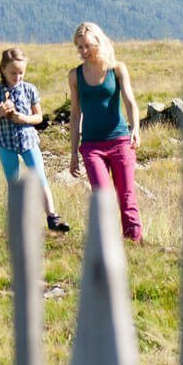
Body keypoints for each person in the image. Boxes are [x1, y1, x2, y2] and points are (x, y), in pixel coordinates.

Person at [66, 22, 143, 242]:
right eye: (79, 47)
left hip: (120, 141)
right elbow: (75, 115)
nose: (83, 52)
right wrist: (73, 153)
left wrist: (135, 128)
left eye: (87, 46)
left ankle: (134, 242)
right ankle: (108, 244)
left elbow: (129, 102)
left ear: (99, 42)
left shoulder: (117, 69)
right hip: (91, 146)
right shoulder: (75, 76)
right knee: (102, 196)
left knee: (127, 195)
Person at [0, 48, 71, 233]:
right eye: (13, 73)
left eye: (21, 72)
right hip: (6, 144)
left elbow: (39, 117)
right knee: (14, 182)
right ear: (3, 69)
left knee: (40, 177)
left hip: (29, 141)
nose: (18, 77)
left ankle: (52, 217)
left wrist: (23, 119)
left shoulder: (29, 89)